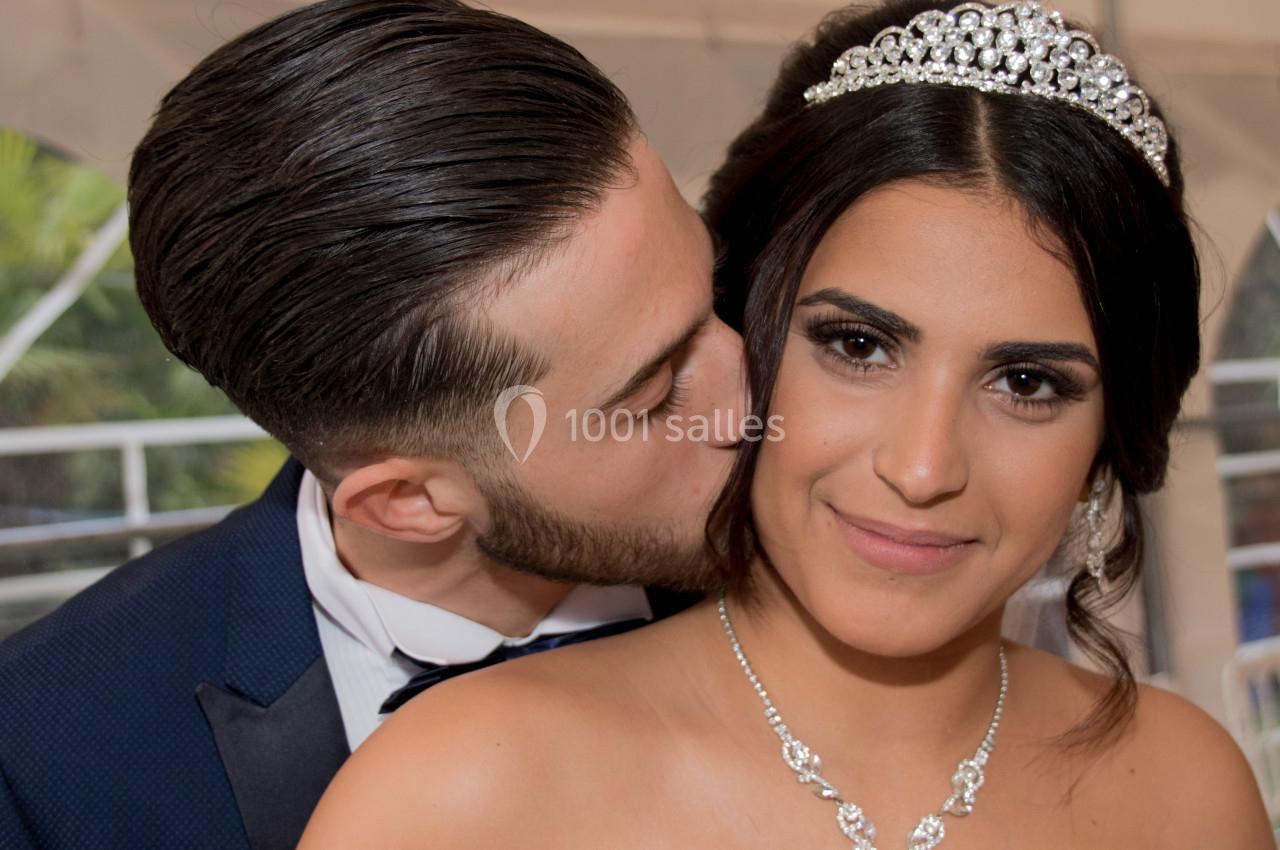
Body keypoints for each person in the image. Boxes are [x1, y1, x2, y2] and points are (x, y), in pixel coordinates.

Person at [300, 2, 1273, 848]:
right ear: (742, 331)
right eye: (857, 346)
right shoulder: (463, 787)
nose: (922, 466)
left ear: (1109, 435)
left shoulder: (1186, 788)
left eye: (1026, 382)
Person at [0, 1, 746, 848]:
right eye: (654, 393)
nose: (754, 394)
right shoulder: (38, 761)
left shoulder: (834, 561)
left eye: (717, 292)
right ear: (407, 502)